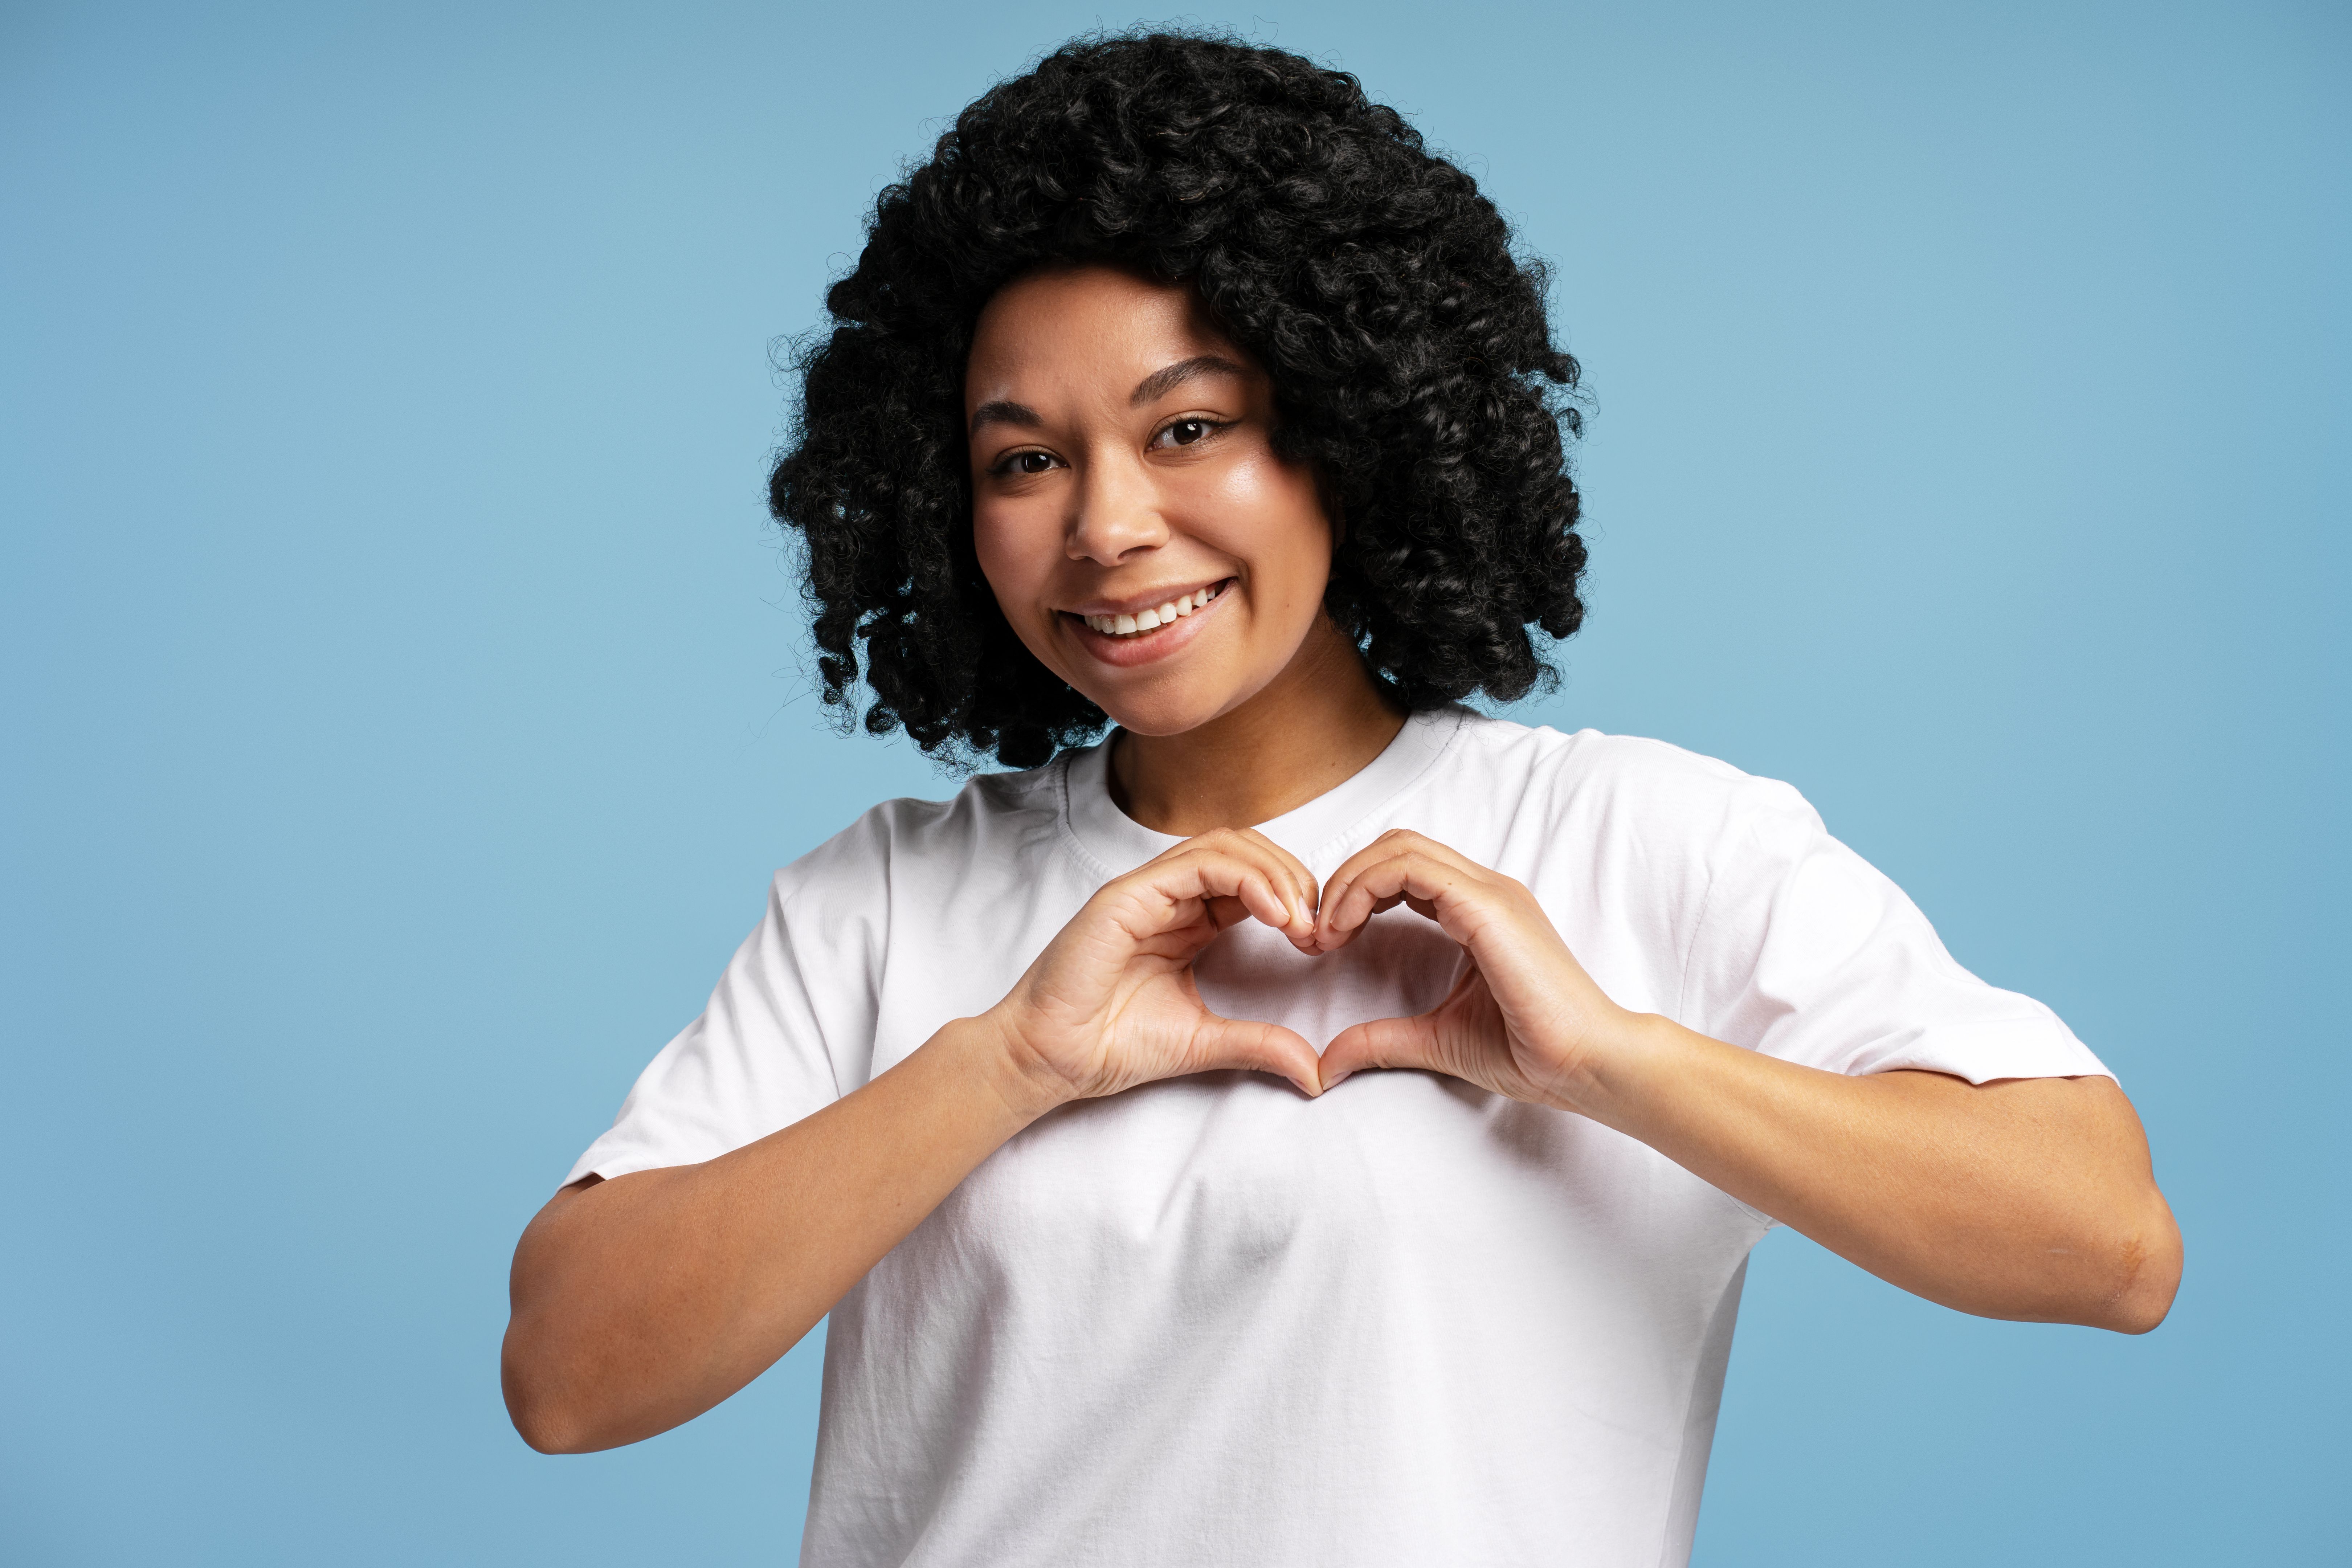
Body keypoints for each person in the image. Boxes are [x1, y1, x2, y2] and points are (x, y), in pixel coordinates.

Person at [501, 31, 2181, 1567]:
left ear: (1349, 431)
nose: (1105, 527)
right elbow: (569, 1374)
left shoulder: (1647, 845)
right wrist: (1006, 1062)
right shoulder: (884, 902)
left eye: (1190, 427)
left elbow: (2106, 1243)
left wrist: (1610, 1058)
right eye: (1025, 458)